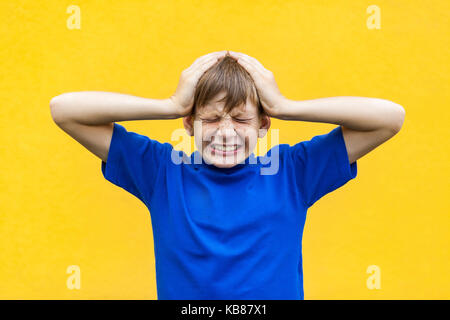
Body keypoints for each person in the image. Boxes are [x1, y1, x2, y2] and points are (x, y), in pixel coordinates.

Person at [50, 50, 405, 299]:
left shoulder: (293, 172)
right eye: (211, 118)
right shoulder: (161, 171)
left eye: (240, 118)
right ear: (189, 124)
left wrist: (286, 106)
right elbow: (64, 110)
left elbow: (390, 118)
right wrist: (170, 105)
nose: (225, 132)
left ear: (264, 124)